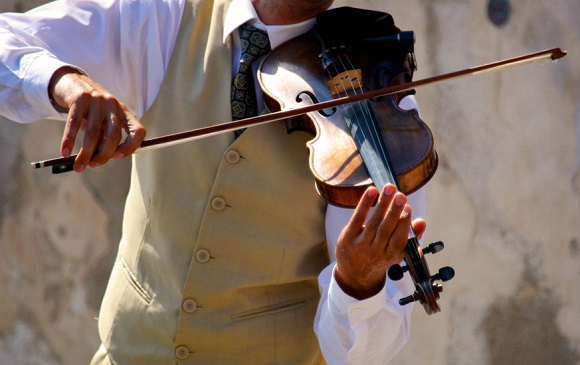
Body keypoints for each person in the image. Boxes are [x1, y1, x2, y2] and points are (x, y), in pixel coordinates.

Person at [0, 0, 428, 364]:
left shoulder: (379, 111)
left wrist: (358, 284)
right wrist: (66, 82)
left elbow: (365, 352)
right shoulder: (166, 15)